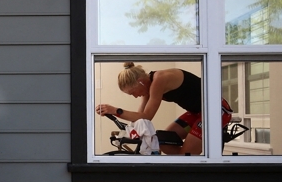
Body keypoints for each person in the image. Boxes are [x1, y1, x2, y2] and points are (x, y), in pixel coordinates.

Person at [95, 62, 233, 155]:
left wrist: (116, 110)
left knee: (187, 154)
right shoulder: (147, 86)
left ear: (140, 82)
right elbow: (141, 116)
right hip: (196, 112)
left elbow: (147, 116)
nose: (135, 96)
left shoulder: (159, 79)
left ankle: (187, 164)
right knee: (160, 140)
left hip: (215, 111)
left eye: (133, 92)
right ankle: (181, 162)